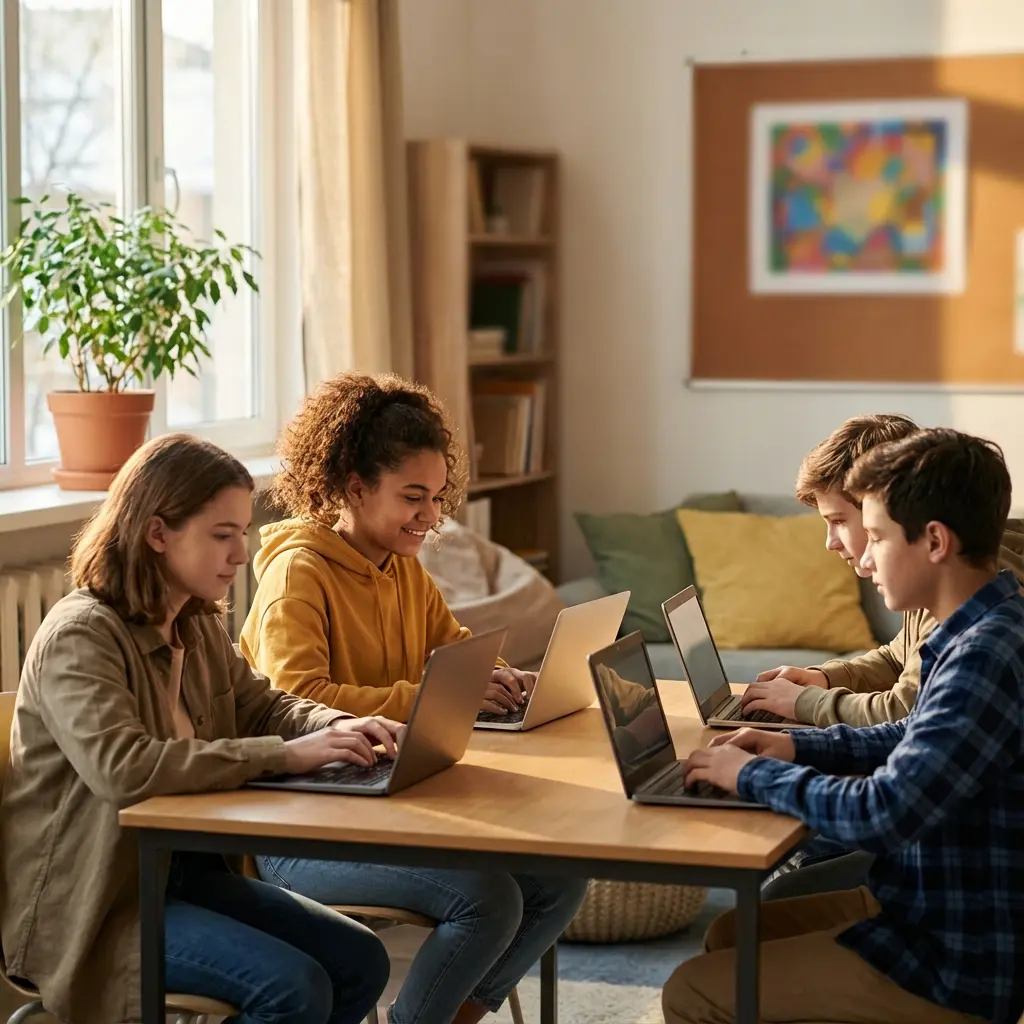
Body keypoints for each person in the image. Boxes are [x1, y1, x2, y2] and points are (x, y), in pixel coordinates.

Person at [0, 434, 398, 1024]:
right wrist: (286, 757)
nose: (241, 553)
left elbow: (265, 706)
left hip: (179, 878)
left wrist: (342, 725)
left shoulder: (194, 621)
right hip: (99, 906)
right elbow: (125, 768)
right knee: (293, 990)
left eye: (242, 531)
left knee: (359, 959)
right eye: (222, 534)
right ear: (157, 533)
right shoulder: (80, 636)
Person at [241, 373, 587, 1024]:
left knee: (559, 880)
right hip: (301, 825)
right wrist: (427, 695)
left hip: (390, 799)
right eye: (412, 497)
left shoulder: (401, 566)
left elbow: (453, 649)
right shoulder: (298, 574)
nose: (429, 517)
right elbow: (296, 697)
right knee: (488, 900)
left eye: (434, 497)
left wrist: (504, 678)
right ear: (354, 486)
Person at [667, 428, 1024, 1024]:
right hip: (919, 909)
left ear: (934, 541)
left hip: (948, 959)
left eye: (877, 537)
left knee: (691, 991)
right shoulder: (975, 625)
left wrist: (752, 774)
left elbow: (883, 811)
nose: (863, 555)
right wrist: (791, 744)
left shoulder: (986, 653)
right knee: (734, 937)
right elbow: (908, 737)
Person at [747, 415, 1024, 900]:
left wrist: (798, 719)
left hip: (958, 907)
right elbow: (901, 667)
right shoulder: (963, 595)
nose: (842, 546)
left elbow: (906, 725)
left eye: (850, 526)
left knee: (776, 895)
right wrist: (814, 696)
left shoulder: (984, 635)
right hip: (942, 851)